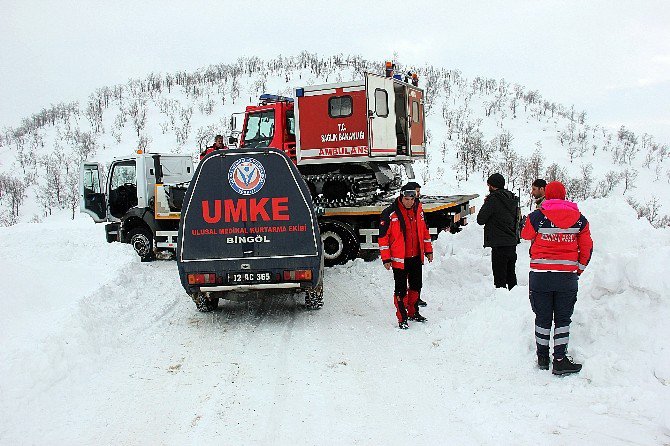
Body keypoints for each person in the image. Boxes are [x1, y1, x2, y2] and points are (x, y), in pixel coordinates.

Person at [521, 181, 593, 375]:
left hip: (540, 277)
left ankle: (543, 358)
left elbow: (525, 234)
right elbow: (587, 247)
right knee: (562, 318)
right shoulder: (580, 220)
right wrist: (578, 269)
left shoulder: (536, 217)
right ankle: (560, 360)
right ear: (564, 195)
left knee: (542, 317)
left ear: (547, 195)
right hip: (566, 278)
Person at [379, 183, 434, 329]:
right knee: (401, 290)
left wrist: (428, 250)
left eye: (412, 199)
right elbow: (383, 238)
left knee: (416, 286)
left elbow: (424, 232)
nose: (410, 202)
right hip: (399, 260)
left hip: (416, 257)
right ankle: (402, 318)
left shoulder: (419, 211)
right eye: (407, 199)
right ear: (401, 197)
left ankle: (413, 312)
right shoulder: (390, 213)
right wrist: (386, 258)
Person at [476, 173, 520, 290]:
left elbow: (480, 219)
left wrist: (486, 203)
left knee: (500, 278)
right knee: (511, 275)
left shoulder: (493, 199)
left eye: (489, 185)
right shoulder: (512, 198)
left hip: (499, 244)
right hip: (511, 242)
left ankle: (501, 303)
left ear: (493, 186)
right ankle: (514, 301)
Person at [404, 181, 428, 309]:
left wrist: (427, 250)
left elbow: (423, 228)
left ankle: (416, 299)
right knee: (406, 280)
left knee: (417, 280)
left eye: (419, 191)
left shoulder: (418, 206)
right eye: (416, 191)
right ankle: (407, 302)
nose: (418, 194)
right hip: (405, 253)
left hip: (417, 251)